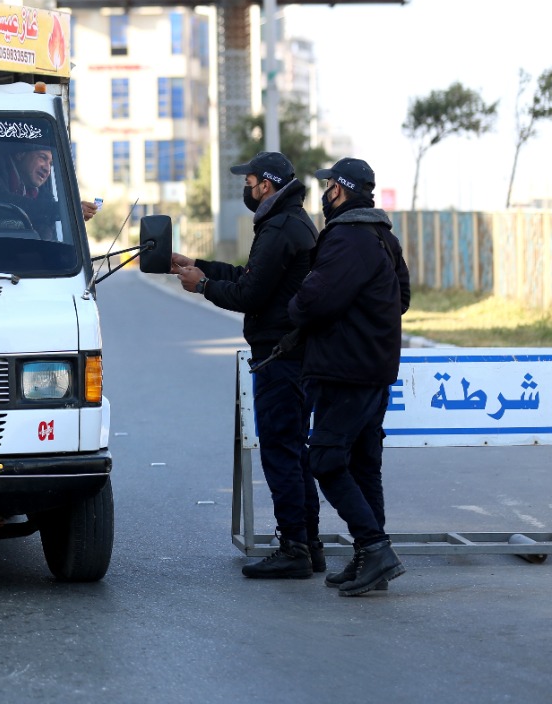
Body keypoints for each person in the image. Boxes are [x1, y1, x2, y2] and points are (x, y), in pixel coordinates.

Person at [171, 150, 324, 579]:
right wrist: (198, 266)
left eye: (249, 181)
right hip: (288, 352)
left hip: (281, 355)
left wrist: (202, 286)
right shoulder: (288, 222)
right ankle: (308, 544)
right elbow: (250, 276)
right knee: (294, 452)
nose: (246, 188)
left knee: (281, 451)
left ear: (267, 186)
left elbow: (251, 295)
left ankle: (295, 546)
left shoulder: (280, 227)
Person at [288, 157, 412, 597]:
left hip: (346, 370)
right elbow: (403, 297)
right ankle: (368, 558)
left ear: (338, 190)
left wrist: (301, 308)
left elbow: (313, 301)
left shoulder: (346, 238)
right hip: (374, 368)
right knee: (362, 464)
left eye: (327, 187)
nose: (324, 195)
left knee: (324, 458)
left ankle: (375, 547)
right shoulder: (383, 236)